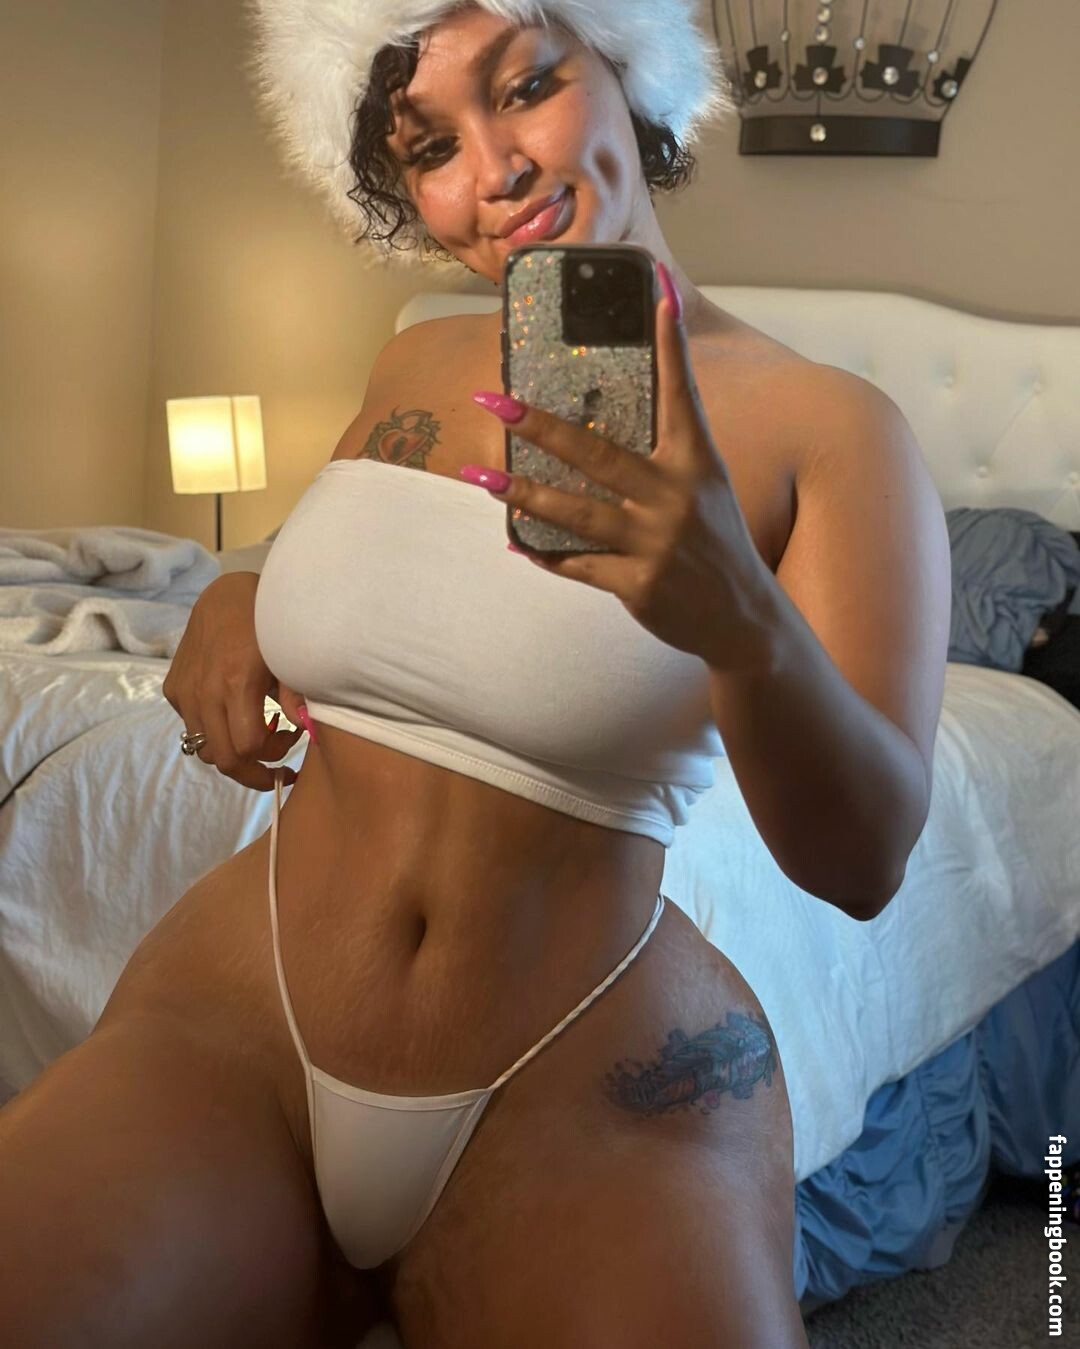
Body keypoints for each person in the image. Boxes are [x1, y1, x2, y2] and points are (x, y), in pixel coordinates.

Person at [0, 2, 952, 1345]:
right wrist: (242, 592)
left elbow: (864, 861)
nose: (494, 169)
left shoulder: (828, 427)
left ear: (627, 70)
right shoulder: (415, 355)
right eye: (430, 145)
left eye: (526, 87)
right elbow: (387, 580)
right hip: (244, 1022)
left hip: (582, 1075)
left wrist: (742, 618)